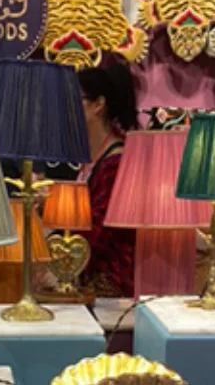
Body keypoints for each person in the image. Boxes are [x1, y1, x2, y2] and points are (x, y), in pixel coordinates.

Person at [76, 64, 139, 298]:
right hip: (88, 277)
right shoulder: (92, 157)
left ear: (98, 105)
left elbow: (98, 231)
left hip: (110, 285)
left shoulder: (116, 164)